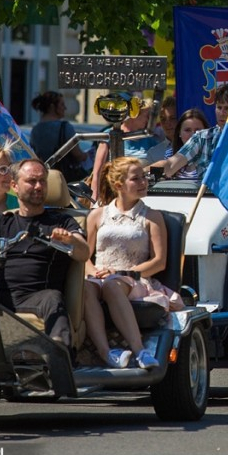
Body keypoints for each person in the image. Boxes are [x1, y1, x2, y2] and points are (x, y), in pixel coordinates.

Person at [0, 159, 90, 348]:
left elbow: (84, 253)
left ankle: (61, 357)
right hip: (0, 295)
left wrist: (70, 240)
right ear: (14, 186)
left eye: (42, 181)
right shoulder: (3, 220)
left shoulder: (63, 221)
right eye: (32, 181)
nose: (39, 186)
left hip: (38, 298)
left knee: (53, 297)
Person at [83, 157, 169, 369]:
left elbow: (159, 261)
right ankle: (106, 352)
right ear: (119, 185)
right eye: (136, 179)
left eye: (144, 177)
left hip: (134, 278)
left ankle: (140, 351)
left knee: (113, 284)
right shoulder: (96, 215)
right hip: (98, 276)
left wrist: (123, 272)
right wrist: (93, 271)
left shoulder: (152, 216)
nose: (143, 182)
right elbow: (84, 254)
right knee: (84, 287)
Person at [155, 83, 228, 181]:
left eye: (227, 108)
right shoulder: (202, 138)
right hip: (209, 196)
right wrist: (141, 173)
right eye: (219, 107)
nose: (222, 113)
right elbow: (171, 164)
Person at [90, 96, 158, 203]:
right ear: (134, 116)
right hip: (113, 194)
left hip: (143, 194)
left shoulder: (149, 139)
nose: (148, 119)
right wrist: (93, 201)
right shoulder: (107, 136)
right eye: (146, 115)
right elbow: (97, 174)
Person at [30, 90, 88, 181]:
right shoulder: (65, 127)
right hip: (64, 178)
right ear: (52, 107)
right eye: (62, 104)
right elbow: (78, 155)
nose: (65, 108)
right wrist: (87, 155)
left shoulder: (35, 130)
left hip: (44, 177)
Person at [163, 110, 210, 181]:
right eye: (187, 130)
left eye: (198, 130)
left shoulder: (212, 155)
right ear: (179, 133)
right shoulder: (170, 154)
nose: (193, 135)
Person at [145, 96, 179, 164]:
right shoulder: (153, 153)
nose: (167, 123)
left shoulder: (193, 147)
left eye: (172, 118)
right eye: (163, 119)